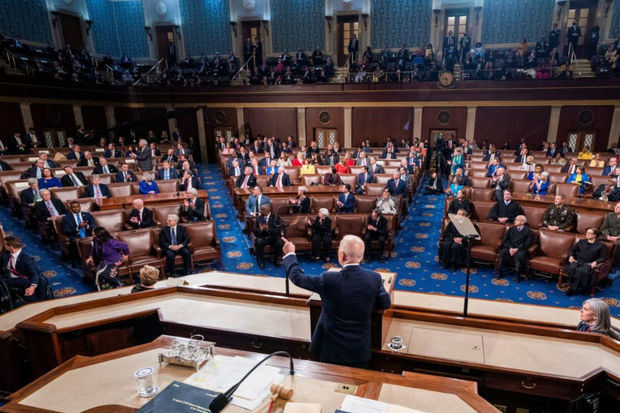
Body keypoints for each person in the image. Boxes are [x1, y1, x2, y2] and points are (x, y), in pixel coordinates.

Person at [282, 234, 391, 367]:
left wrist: (290, 254)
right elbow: (385, 303)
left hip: (331, 351)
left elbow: (297, 278)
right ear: (361, 256)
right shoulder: (374, 278)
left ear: (341, 256)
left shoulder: (328, 279)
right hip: (359, 351)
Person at [1, 236, 47, 302]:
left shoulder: (26, 259)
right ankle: (35, 302)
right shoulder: (5, 255)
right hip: (9, 279)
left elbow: (33, 273)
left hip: (24, 276)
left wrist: (33, 286)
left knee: (42, 279)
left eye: (5, 244)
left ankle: (42, 301)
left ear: (11, 247)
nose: (3, 246)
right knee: (24, 281)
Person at [564, 228, 606, 296]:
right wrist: (571, 256)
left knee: (580, 271)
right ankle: (573, 284)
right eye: (587, 232)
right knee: (571, 268)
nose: (587, 234)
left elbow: (603, 257)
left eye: (590, 233)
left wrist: (596, 261)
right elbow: (572, 250)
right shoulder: (581, 241)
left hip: (588, 263)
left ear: (595, 235)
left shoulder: (600, 245)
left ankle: (572, 288)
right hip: (577, 261)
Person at [497, 215, 531, 283]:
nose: (515, 221)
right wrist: (510, 248)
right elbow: (505, 240)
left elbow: (527, 243)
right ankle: (499, 272)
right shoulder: (511, 229)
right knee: (503, 252)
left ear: (522, 221)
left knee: (519, 256)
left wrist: (517, 249)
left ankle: (517, 275)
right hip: (510, 247)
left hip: (520, 249)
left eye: (517, 219)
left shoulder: (527, 231)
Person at [253, 204, 284, 269]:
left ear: (268, 211)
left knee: (279, 242)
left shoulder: (275, 217)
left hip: (273, 237)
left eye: (263, 210)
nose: (261, 212)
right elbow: (255, 230)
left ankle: (276, 259)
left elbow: (278, 230)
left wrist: (268, 229)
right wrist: (260, 230)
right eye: (261, 210)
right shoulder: (259, 218)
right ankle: (260, 260)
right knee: (259, 242)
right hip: (263, 237)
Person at [600, 202, 620, 270]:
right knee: (598, 239)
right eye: (616, 206)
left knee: (618, 244)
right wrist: (607, 235)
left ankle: (613, 264)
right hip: (608, 235)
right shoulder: (609, 215)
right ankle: (599, 260)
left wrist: (617, 237)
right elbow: (604, 228)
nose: (616, 208)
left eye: (618, 207)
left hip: (618, 237)